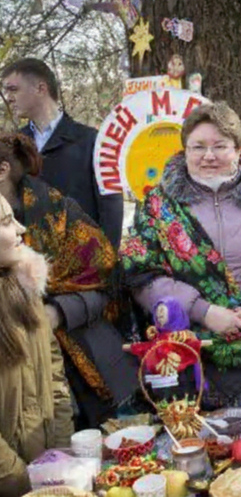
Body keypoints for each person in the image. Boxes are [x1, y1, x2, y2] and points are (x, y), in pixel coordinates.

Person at [121, 102, 241, 408]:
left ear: (239, 149)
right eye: (198, 147)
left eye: (219, 146)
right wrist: (204, 311)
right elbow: (141, 275)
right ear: (184, 150)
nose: (208, 156)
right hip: (190, 352)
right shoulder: (159, 205)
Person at [0, 133, 136, 429]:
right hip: (21, 389)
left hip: (90, 364)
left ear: (3, 170)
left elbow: (110, 287)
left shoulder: (58, 214)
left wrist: (58, 312)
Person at [1, 58, 123, 248]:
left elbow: (111, 207)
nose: (7, 97)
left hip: (82, 264)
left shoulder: (93, 141)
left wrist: (106, 264)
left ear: (41, 89)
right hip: (29, 265)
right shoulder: (11, 147)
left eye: (13, 89)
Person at [0, 193, 73, 496]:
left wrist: (57, 456)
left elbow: (55, 375)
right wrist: (20, 480)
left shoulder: (25, 286)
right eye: (5, 221)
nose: (20, 228)